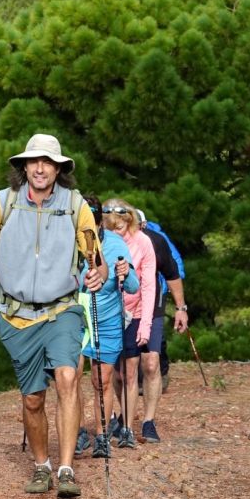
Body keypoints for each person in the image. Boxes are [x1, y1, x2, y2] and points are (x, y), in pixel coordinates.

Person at [0, 133, 107, 499]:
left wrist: (98, 274)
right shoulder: (1, 203)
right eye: (34, 161)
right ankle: (42, 466)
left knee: (68, 378)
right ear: (24, 167)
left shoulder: (74, 206)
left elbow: (94, 259)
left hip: (61, 310)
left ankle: (67, 469)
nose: (40, 168)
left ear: (59, 169)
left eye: (48, 162)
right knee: (33, 399)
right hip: (16, 316)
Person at [74, 195, 137, 460]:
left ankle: (101, 435)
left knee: (101, 379)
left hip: (107, 318)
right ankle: (76, 431)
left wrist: (125, 272)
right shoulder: (68, 242)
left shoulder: (114, 243)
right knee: (69, 377)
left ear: (99, 221)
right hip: (75, 317)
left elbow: (132, 286)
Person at [100, 198, 154, 449]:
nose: (115, 233)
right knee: (111, 372)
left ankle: (128, 429)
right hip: (110, 312)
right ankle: (112, 419)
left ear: (129, 221)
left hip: (136, 311)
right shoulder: (103, 242)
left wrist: (146, 326)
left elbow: (148, 284)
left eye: (119, 228)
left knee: (131, 372)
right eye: (110, 228)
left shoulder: (143, 242)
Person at [135, 208, 187, 442]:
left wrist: (179, 306)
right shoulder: (115, 238)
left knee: (151, 361)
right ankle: (122, 419)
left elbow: (174, 267)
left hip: (155, 296)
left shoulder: (157, 239)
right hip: (123, 303)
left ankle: (148, 421)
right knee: (119, 367)